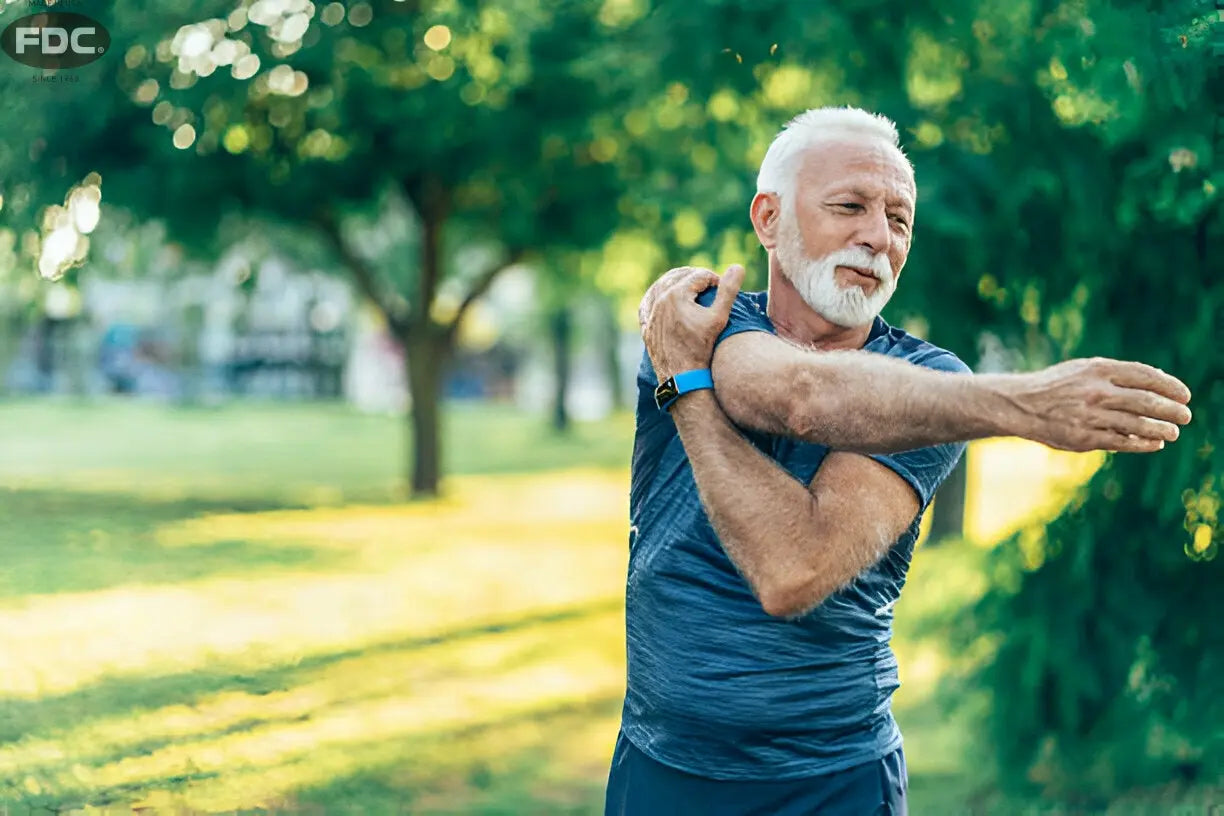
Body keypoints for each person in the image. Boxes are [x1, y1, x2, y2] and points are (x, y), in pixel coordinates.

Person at [605, 107, 1193, 815]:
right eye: (849, 206)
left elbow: (793, 570)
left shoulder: (930, 384)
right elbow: (797, 394)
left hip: (834, 783)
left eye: (899, 219)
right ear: (768, 218)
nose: (878, 237)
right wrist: (1025, 404)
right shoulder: (701, 317)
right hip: (661, 769)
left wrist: (686, 389)